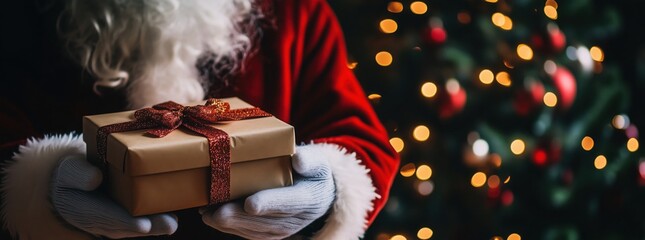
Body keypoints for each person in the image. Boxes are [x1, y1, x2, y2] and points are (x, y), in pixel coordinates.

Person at [0, 0, 399, 239]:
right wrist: (33, 187)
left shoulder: (296, 11)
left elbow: (361, 137)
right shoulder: (24, 14)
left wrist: (330, 191)